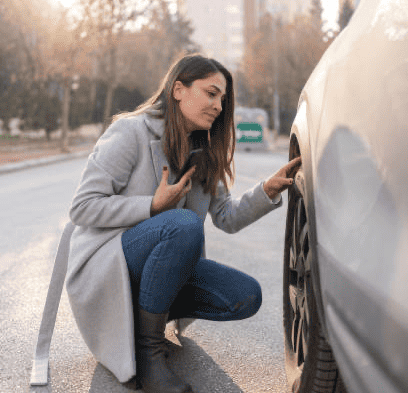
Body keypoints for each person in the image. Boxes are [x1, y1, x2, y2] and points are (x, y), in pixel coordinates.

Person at [65, 54, 301, 393]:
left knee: (245, 295)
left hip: (160, 268)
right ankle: (149, 353)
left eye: (222, 98)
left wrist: (266, 190)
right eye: (211, 93)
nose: (219, 105)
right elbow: (83, 207)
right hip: (111, 265)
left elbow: (226, 217)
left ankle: (144, 317)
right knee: (184, 223)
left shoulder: (204, 149)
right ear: (178, 89)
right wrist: (152, 205)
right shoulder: (130, 131)